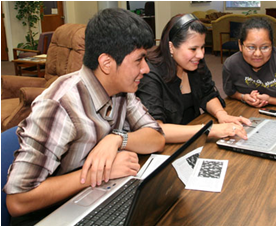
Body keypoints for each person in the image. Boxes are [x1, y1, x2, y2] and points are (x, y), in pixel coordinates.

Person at [3, 8, 165, 225]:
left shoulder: (122, 90)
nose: (146, 69)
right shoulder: (60, 105)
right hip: (49, 214)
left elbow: (156, 137)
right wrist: (98, 173)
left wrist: (116, 139)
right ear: (107, 63)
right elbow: (18, 201)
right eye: (139, 60)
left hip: (90, 198)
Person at [136, 14, 251, 144]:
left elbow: (207, 94)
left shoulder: (196, 63)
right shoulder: (150, 74)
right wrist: (209, 129)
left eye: (202, 47)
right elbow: (155, 130)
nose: (201, 54)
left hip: (193, 138)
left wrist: (221, 115)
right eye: (193, 49)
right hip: (167, 148)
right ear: (171, 47)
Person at [223, 17, 276, 108]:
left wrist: (270, 100)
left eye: (265, 47)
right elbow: (231, 92)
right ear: (240, 45)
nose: (258, 54)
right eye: (251, 47)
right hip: (248, 113)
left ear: (272, 45)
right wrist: (243, 97)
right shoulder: (231, 64)